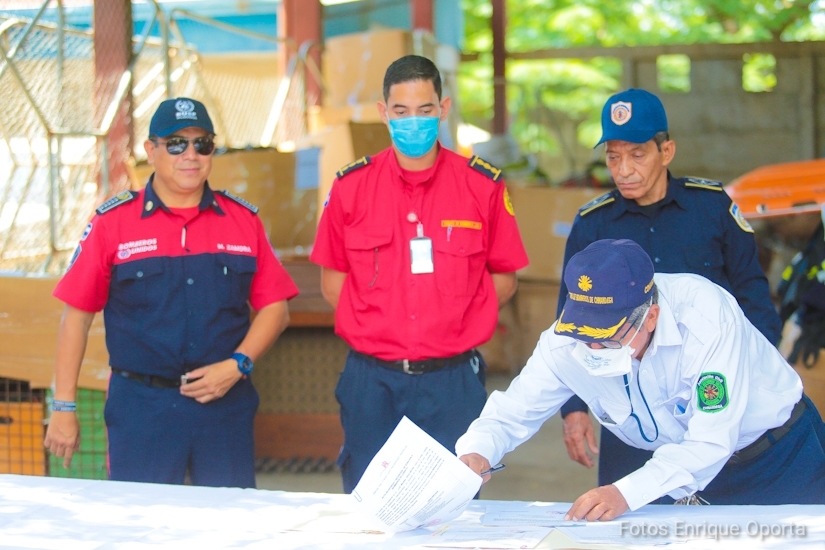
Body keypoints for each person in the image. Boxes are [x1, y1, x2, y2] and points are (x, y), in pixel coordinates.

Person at [458, 239, 825, 521]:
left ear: (651, 316)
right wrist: (477, 450)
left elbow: (712, 440)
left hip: (777, 457)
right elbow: (512, 411)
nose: (594, 347)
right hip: (680, 472)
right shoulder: (564, 343)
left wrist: (626, 492)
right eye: (584, 334)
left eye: (608, 336)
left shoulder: (705, 318)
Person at [44, 98, 299, 487]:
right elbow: (76, 316)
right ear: (151, 150)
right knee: (140, 528)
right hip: (142, 408)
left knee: (229, 528)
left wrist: (238, 365)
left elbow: (275, 309)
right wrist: (64, 406)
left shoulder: (242, 220)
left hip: (223, 404)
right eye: (176, 143)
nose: (191, 155)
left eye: (203, 143)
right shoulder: (113, 223)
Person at [310, 55, 529, 493]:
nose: (414, 121)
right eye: (401, 111)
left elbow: (504, 277)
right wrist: (384, 325)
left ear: (443, 109)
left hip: (452, 384)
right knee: (370, 509)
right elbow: (333, 282)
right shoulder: (351, 187)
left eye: (425, 110)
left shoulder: (481, 185)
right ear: (383, 112)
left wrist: (453, 321)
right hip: (372, 383)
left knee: (454, 509)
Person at [557, 88, 783, 489]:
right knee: (627, 518)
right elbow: (570, 320)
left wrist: (747, 375)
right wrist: (574, 406)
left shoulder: (710, 208)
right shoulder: (594, 224)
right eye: (613, 156)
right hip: (629, 402)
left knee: (718, 520)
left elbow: (753, 295)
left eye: (637, 154)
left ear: (667, 151)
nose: (623, 169)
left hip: (708, 396)